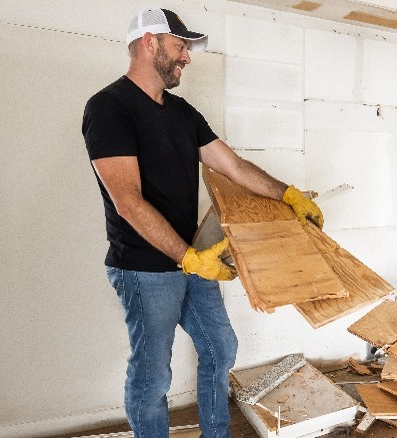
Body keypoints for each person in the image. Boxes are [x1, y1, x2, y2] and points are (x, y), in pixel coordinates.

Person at [81, 8, 323, 438]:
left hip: (192, 260)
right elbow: (129, 203)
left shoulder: (182, 113)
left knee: (221, 347)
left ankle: (216, 433)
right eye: (180, 46)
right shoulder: (108, 108)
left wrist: (289, 193)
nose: (187, 57)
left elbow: (233, 166)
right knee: (153, 375)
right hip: (142, 268)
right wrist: (190, 258)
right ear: (149, 42)